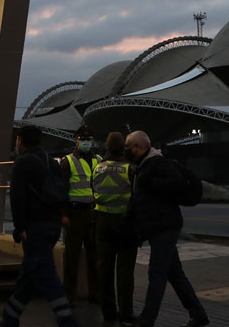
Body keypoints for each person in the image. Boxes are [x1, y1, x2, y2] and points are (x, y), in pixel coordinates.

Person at [123, 130, 209, 327]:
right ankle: (198, 315)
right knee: (174, 274)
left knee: (157, 274)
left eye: (129, 147)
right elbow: (138, 199)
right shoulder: (143, 166)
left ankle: (146, 321)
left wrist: (151, 182)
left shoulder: (157, 163)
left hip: (165, 227)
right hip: (156, 227)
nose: (126, 151)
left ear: (138, 147)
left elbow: (177, 183)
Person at [0, 126, 78, 327]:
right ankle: (9, 317)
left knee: (47, 274)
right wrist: (62, 215)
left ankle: (66, 319)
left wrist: (20, 226)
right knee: (29, 274)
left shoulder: (23, 162)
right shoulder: (51, 162)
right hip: (52, 227)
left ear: (20, 141)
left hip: (35, 228)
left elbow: (17, 196)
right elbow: (60, 189)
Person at [93, 131, 138, 326]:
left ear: (106, 148)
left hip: (102, 223)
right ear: (124, 149)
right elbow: (137, 198)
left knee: (105, 270)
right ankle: (126, 313)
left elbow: (92, 191)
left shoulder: (97, 168)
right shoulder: (131, 169)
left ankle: (108, 312)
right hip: (125, 224)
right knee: (125, 271)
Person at [59, 125, 101, 305]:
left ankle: (95, 294)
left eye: (88, 140)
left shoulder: (99, 159)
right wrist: (63, 214)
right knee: (72, 257)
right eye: (82, 140)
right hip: (74, 214)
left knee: (95, 256)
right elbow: (61, 189)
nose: (85, 142)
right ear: (76, 141)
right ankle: (69, 295)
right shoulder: (67, 161)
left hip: (94, 213)